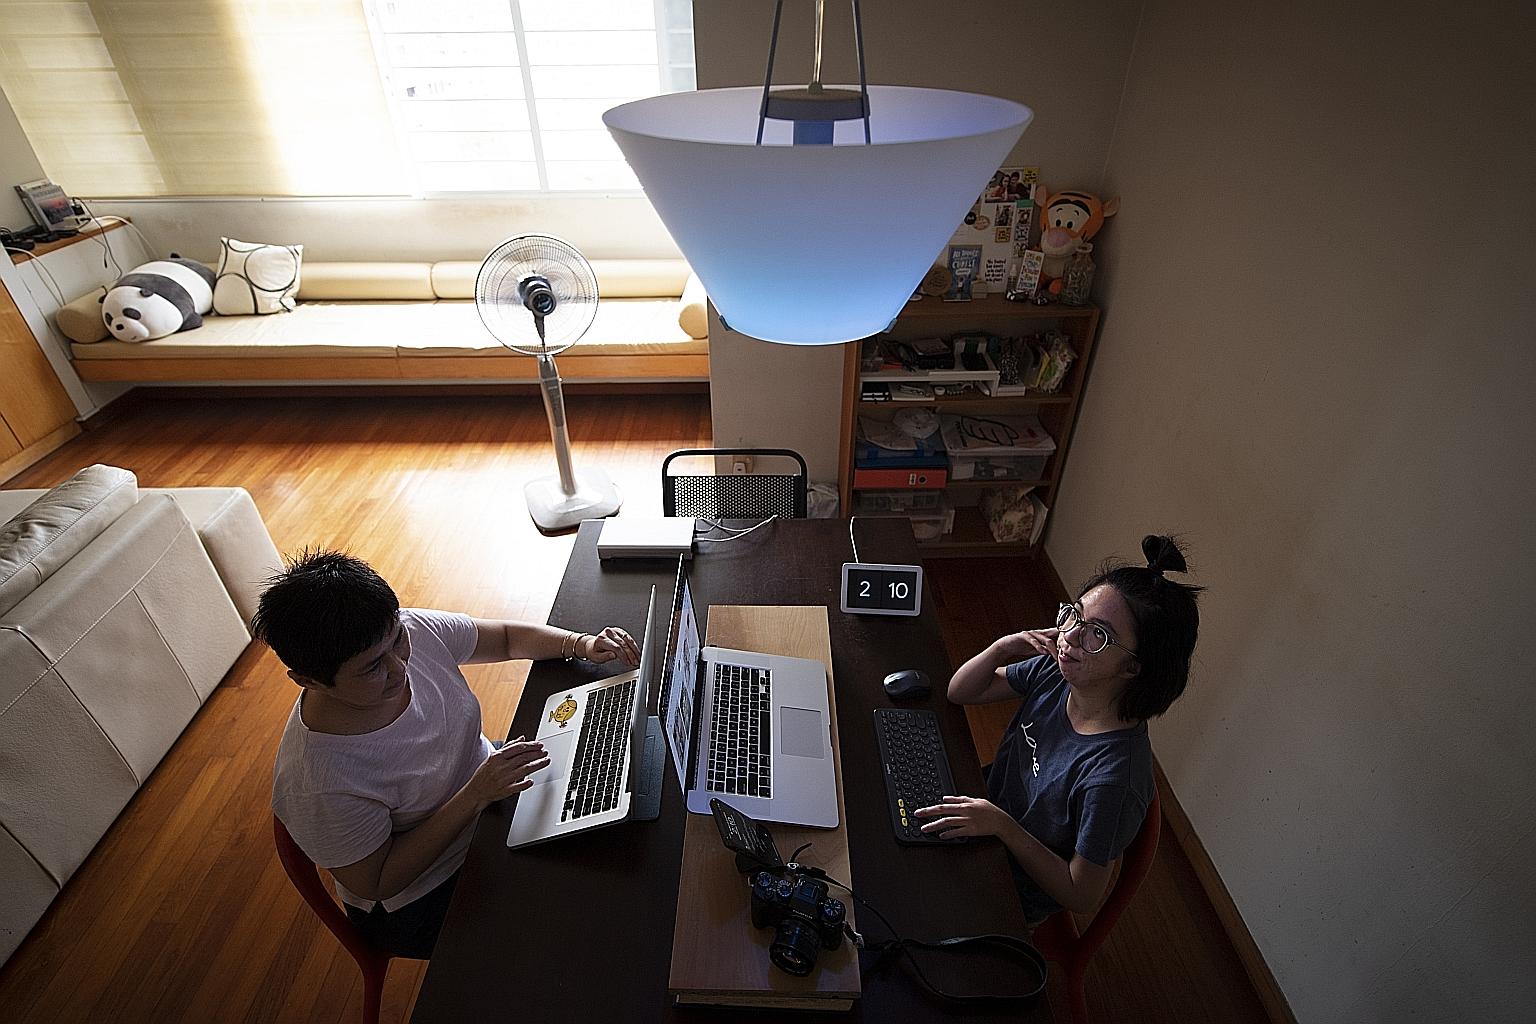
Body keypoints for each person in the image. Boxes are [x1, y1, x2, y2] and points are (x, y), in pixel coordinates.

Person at [256, 549, 640, 959]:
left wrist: (578, 643)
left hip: (490, 794)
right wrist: (475, 795)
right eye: (371, 668)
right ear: (308, 680)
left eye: (397, 639)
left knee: (625, 831)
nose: (400, 666)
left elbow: (506, 638)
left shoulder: (404, 632)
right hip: (424, 895)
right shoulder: (319, 780)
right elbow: (379, 881)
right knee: (595, 915)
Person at [913, 535, 1201, 925]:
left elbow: (1080, 894)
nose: (1070, 638)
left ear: (1134, 667)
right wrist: (1003, 647)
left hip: (1012, 887)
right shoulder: (1058, 673)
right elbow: (961, 691)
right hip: (983, 817)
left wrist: (1001, 826)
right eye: (1075, 616)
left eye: (1097, 635)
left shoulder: (1113, 779)